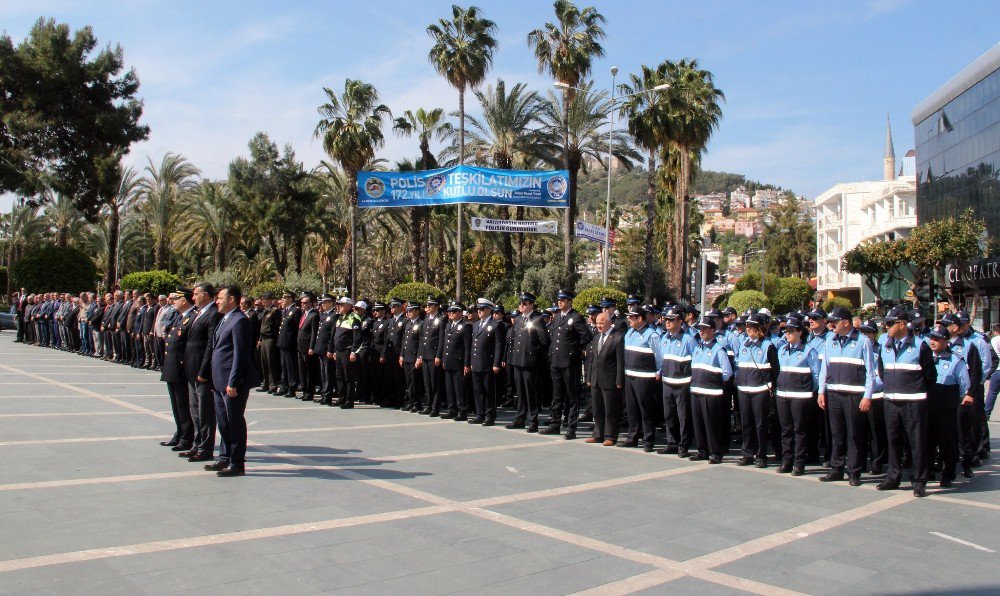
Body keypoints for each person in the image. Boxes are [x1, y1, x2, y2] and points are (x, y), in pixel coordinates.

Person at [876, 306, 936, 497]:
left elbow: (930, 376)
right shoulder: (885, 344)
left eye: (890, 324)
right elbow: (881, 370)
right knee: (893, 440)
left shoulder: (920, 345)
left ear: (902, 324)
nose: (887, 327)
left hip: (913, 402)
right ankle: (893, 476)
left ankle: (919, 481)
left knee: (917, 441)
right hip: (891, 401)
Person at [817, 306, 876, 486]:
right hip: (834, 393)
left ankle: (854, 472)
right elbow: (824, 369)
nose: (831, 325)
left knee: (854, 435)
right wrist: (821, 390)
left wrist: (868, 396)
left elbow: (870, 372)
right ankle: (836, 469)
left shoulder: (863, 341)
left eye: (835, 321)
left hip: (854, 395)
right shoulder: (830, 341)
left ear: (846, 322)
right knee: (836, 434)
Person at [206, 285, 259, 477]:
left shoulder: (239, 321)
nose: (217, 301)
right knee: (223, 421)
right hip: (220, 379)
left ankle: (237, 463)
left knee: (234, 421)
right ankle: (225, 456)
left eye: (220, 298)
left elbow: (240, 355)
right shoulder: (225, 319)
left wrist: (233, 382)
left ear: (232, 299)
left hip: (232, 382)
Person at [543, 289, 592, 439]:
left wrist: (574, 350)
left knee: (572, 396)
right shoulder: (557, 317)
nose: (560, 302)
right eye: (559, 299)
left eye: (563, 300)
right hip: (557, 361)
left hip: (570, 362)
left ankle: (571, 427)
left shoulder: (575, 317)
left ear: (569, 301)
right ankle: (555, 423)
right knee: (557, 395)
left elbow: (586, 336)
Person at [774, 315, 820, 476]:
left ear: (800, 332)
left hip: (800, 396)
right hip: (783, 394)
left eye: (791, 331)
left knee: (799, 430)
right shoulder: (782, 350)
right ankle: (787, 460)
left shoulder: (808, 351)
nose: (788, 334)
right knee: (786, 429)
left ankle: (799, 462)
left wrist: (807, 389)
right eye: (786, 331)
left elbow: (816, 375)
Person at [927, 323, 971, 488]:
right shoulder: (926, 358)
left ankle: (948, 473)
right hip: (928, 406)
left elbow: (964, 386)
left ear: (946, 341)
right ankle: (929, 470)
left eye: (937, 339)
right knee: (928, 440)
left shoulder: (956, 360)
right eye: (932, 338)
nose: (933, 342)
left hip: (946, 408)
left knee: (947, 442)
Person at [735, 309, 780, 467]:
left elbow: (775, 371)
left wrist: (772, 390)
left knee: (761, 424)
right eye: (747, 325)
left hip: (760, 390)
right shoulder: (743, 345)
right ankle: (747, 453)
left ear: (760, 328)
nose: (747, 328)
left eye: (751, 325)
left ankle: (761, 455)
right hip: (744, 390)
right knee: (746, 423)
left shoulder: (768, 346)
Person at [184, 283, 222, 462]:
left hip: (202, 370)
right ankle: (197, 443)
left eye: (196, 294)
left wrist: (204, 369)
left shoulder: (213, 314)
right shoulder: (199, 313)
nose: (193, 297)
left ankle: (206, 448)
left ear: (206, 295)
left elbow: (210, 344)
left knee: (205, 411)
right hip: (192, 369)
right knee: (195, 410)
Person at [690, 314, 734, 463]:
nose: (701, 331)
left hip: (711, 392)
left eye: (705, 329)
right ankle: (702, 450)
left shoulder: (718, 349)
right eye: (700, 329)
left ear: (712, 330)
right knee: (698, 423)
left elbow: (727, 372)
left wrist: (714, 382)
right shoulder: (697, 347)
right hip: (696, 390)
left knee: (711, 424)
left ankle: (715, 452)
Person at [505, 292, 550, 432]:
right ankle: (520, 418)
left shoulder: (537, 319)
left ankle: (532, 420)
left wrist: (535, 356)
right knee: (520, 391)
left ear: (531, 304)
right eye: (520, 303)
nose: (521, 305)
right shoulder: (518, 319)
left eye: (524, 303)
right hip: (518, 360)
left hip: (530, 361)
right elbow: (513, 340)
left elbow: (544, 341)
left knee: (531, 391)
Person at [620, 305, 662, 452]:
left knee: (646, 409)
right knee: (631, 409)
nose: (629, 319)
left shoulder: (652, 335)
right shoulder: (629, 333)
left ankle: (648, 439)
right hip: (630, 375)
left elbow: (659, 357)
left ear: (640, 318)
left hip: (645, 378)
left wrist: (659, 371)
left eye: (632, 317)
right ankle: (632, 437)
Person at [159, 289, 195, 452]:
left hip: (180, 366)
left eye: (176, 298)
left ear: (185, 300)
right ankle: (179, 433)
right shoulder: (179, 316)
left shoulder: (192, 317)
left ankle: (187, 437)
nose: (173, 301)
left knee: (183, 404)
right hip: (172, 365)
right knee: (176, 404)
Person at [658, 305, 697, 457]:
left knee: (683, 416)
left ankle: (684, 445)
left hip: (683, 383)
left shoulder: (688, 339)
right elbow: (661, 360)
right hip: (667, 382)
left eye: (671, 320)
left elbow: (695, 360)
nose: (667, 322)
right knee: (669, 415)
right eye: (666, 319)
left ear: (680, 321)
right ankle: (671, 443)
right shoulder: (664, 338)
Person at [586, 312, 624, 446]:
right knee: (597, 409)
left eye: (601, 323)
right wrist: (589, 377)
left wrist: (619, 380)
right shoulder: (596, 337)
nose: (599, 326)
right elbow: (592, 359)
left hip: (610, 379)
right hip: (596, 378)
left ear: (609, 323)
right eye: (597, 323)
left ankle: (610, 436)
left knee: (610, 410)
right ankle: (598, 434)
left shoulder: (617, 337)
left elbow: (620, 361)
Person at [469, 298, 504, 426]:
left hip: (488, 363)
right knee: (478, 390)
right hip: (477, 362)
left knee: (489, 391)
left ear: (489, 310)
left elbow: (499, 345)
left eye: (482, 309)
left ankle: (490, 416)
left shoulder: (496, 324)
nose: (479, 311)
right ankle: (480, 414)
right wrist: (471, 361)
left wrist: (496, 363)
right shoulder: (476, 324)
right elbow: (474, 344)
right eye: (478, 309)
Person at [438, 301, 472, 420]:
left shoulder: (465, 325)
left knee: (459, 388)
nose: (450, 313)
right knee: (450, 387)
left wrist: (467, 364)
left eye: (453, 311)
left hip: (459, 362)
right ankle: (452, 409)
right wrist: (443, 358)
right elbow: (445, 343)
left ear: (459, 312)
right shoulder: (448, 325)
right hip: (448, 361)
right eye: (449, 311)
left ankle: (462, 411)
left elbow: (467, 347)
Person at [313, 294, 337, 405]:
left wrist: (330, 349)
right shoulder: (323, 315)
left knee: (328, 373)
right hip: (321, 348)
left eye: (326, 302)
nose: (323, 304)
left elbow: (332, 335)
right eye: (322, 302)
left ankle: (327, 395)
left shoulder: (334, 315)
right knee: (323, 372)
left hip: (327, 348)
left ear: (332, 303)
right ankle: (324, 393)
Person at [400, 301, 424, 413]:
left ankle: (417, 403)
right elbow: (404, 341)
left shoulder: (421, 324)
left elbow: (421, 342)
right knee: (408, 381)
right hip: (407, 356)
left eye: (411, 310)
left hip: (414, 357)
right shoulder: (407, 323)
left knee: (415, 381)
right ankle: (410, 401)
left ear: (417, 311)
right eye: (408, 310)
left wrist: (419, 357)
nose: (408, 312)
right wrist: (401, 355)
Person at [296, 292, 320, 401]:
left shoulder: (314, 315)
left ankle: (310, 392)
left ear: (311, 303)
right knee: (302, 370)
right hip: (300, 346)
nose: (303, 305)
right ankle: (304, 390)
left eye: (305, 303)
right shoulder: (304, 314)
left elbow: (314, 333)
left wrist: (311, 347)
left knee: (309, 370)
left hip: (307, 346)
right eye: (302, 303)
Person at [276, 291, 301, 397]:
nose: (283, 299)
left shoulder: (295, 310)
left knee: (291, 366)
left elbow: (296, 328)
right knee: (284, 365)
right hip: (283, 342)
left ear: (290, 298)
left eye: (285, 297)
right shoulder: (285, 311)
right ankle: (284, 385)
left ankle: (292, 387)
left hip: (290, 343)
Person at [257, 292, 281, 394]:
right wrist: (260, 339)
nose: (263, 302)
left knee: (271, 363)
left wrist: (274, 338)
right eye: (262, 300)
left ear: (270, 300)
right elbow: (262, 326)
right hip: (264, 338)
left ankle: (273, 385)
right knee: (264, 362)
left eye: (265, 300)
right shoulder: (265, 311)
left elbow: (277, 326)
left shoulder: (275, 311)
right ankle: (266, 383)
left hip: (271, 339)